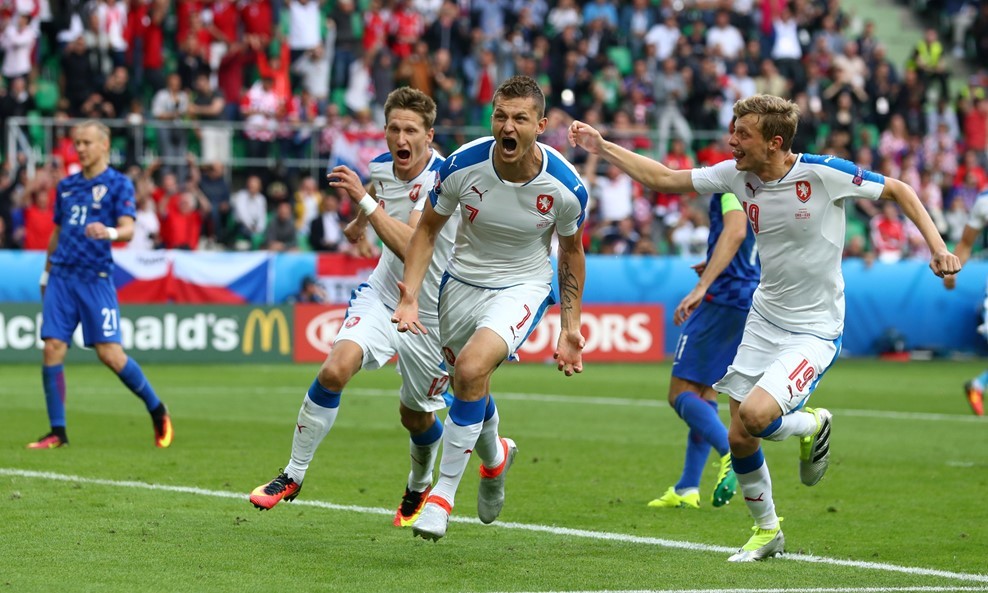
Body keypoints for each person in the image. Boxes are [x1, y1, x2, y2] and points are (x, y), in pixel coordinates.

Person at [568, 94, 959, 562]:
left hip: (814, 329)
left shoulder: (820, 173)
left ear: (775, 143)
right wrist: (603, 145)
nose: (731, 140)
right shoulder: (737, 174)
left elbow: (899, 189)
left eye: (742, 134)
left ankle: (813, 423)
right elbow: (665, 179)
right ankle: (767, 530)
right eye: (733, 130)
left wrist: (937, 247)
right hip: (764, 317)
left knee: (755, 416)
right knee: (739, 434)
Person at [391, 75, 589, 540]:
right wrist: (411, 295)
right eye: (501, 115)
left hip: (523, 284)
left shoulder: (565, 187)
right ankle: (496, 457)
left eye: (520, 118)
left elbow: (573, 251)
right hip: (460, 281)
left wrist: (569, 327)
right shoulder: (462, 166)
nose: (508, 125)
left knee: (473, 367)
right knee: (468, 379)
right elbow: (427, 230)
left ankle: (442, 497)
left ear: (540, 124)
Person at [249, 87, 456, 529]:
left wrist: (362, 203)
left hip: (432, 309)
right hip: (384, 293)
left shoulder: (444, 179)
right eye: (394, 129)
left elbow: (412, 244)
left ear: (429, 135)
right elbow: (381, 198)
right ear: (384, 131)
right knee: (333, 370)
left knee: (415, 415)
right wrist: (359, 223)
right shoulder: (382, 167)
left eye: (411, 131)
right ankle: (293, 474)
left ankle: (420, 482)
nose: (402, 138)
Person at [27, 121, 173, 449]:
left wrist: (106, 231)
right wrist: (45, 273)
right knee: (52, 347)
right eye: (77, 142)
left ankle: (156, 408)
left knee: (110, 354)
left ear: (104, 145)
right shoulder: (66, 186)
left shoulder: (118, 184)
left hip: (95, 278)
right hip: (62, 276)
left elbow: (128, 229)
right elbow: (57, 233)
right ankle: (57, 432)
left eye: (87, 142)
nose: (80, 148)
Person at [648, 191, 758, 511]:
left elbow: (735, 230)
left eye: (740, 136)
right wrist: (714, 261)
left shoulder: (731, 188)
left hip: (721, 299)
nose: (734, 141)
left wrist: (703, 285)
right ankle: (687, 487)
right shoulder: (764, 191)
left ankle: (731, 452)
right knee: (704, 394)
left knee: (679, 394)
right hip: (747, 298)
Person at [943, 186, 988, 416]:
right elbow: (967, 243)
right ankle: (978, 385)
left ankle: (978, 385)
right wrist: (953, 271)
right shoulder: (984, 201)